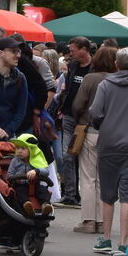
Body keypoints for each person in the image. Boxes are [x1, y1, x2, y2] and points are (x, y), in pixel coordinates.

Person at [88, 47, 128, 253]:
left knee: (108, 193)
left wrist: (103, 125)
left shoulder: (106, 85)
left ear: (116, 64)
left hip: (109, 143)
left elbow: (95, 112)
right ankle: (123, 242)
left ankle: (106, 238)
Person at [71, 45, 116, 235]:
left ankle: (89, 220)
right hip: (112, 133)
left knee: (88, 177)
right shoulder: (117, 80)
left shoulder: (90, 79)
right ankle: (101, 221)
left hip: (90, 130)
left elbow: (77, 105)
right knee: (103, 178)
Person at [55, 36, 92, 207]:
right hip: (69, 116)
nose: (70, 53)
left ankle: (88, 195)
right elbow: (68, 88)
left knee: (85, 160)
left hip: (86, 119)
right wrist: (62, 104)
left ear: (84, 49)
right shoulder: (73, 66)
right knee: (67, 156)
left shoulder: (94, 68)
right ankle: (70, 194)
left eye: (73, 50)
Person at [7, 134, 54, 215]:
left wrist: (36, 171)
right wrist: (16, 179)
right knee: (20, 192)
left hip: (34, 184)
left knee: (43, 191)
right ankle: (27, 205)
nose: (19, 151)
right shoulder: (15, 161)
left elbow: (46, 171)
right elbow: (10, 174)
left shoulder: (36, 160)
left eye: (23, 148)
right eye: (17, 148)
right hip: (20, 184)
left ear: (31, 149)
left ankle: (45, 205)